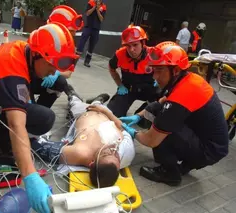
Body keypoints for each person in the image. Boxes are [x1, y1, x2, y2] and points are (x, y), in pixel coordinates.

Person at [0, 23, 79, 213]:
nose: (54, 70)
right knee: (42, 118)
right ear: (37, 55)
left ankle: (18, 142)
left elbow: (57, 74)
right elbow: (15, 123)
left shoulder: (27, 54)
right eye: (52, 64)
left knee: (57, 85)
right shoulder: (11, 62)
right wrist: (30, 176)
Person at [121, 41, 229, 186]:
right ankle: (184, 164)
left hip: (208, 150)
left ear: (176, 70)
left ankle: (170, 173)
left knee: (162, 124)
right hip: (211, 144)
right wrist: (138, 116)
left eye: (159, 71)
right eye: (154, 70)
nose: (154, 76)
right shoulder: (188, 79)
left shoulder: (183, 93)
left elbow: (151, 140)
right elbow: (163, 100)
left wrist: (132, 133)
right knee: (161, 112)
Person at [31, 93, 135, 187]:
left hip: (83, 113)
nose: (112, 149)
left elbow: (40, 148)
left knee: (75, 102)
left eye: (105, 154)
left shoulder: (81, 153)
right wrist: (106, 112)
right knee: (100, 105)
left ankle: (72, 93)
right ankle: (98, 101)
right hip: (105, 113)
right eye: (115, 155)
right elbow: (123, 128)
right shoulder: (125, 153)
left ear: (91, 163)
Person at [106, 24, 159, 124]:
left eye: (135, 45)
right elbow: (111, 68)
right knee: (113, 115)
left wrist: (159, 81)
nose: (131, 50)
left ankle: (143, 110)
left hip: (149, 90)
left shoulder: (154, 54)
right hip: (128, 89)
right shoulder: (119, 55)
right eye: (128, 46)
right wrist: (120, 85)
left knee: (145, 122)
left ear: (143, 43)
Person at [76, 0, 107, 67]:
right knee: (82, 41)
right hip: (88, 26)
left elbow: (101, 19)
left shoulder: (103, 7)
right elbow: (87, 13)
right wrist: (94, 7)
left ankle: (87, 61)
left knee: (92, 45)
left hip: (96, 29)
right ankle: (75, 58)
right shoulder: (91, 2)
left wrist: (98, 10)